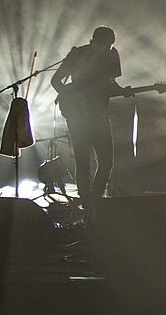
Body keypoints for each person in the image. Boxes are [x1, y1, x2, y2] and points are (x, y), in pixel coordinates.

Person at [51, 27, 132, 204]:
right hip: (79, 116)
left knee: (105, 161)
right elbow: (55, 80)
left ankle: (93, 201)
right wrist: (69, 96)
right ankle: (87, 202)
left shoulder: (112, 55)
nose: (107, 49)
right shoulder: (77, 54)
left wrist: (122, 91)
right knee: (83, 161)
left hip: (99, 115)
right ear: (94, 41)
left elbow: (111, 84)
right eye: (105, 45)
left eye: (110, 45)